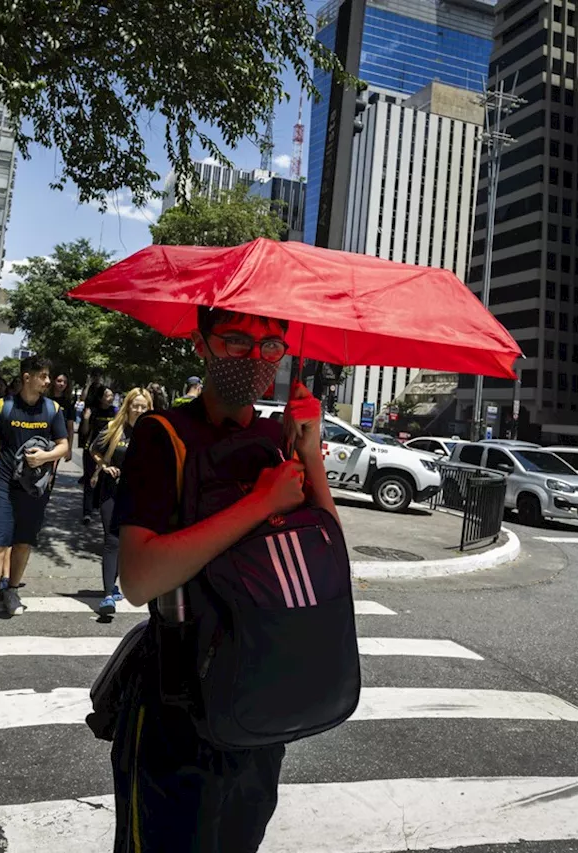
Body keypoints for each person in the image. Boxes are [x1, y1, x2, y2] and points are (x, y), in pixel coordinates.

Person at [109, 307, 337, 852]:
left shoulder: (276, 438)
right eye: (236, 340)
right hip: (176, 698)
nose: (254, 356)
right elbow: (138, 580)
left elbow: (326, 553)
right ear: (201, 345)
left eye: (270, 345)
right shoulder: (163, 435)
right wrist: (260, 502)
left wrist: (308, 453)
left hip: (261, 695)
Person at [0, 354, 69, 635]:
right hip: (1, 485)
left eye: (49, 377)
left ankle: (12, 591)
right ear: (27, 377)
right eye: (43, 376)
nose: (48, 381)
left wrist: (45, 456)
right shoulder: (3, 407)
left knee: (23, 542)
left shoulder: (53, 409)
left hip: (34, 489)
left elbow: (64, 446)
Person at [90, 387, 151, 616]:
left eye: (143, 406)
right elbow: (94, 449)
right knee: (112, 540)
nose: (138, 409)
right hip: (112, 492)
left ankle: (116, 583)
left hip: (138, 495)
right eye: (135, 405)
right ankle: (107, 595)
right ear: (128, 406)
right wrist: (105, 466)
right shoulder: (114, 428)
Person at [79, 385, 116, 524]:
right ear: (100, 398)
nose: (111, 398)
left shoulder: (115, 412)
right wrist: (87, 419)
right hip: (92, 449)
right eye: (107, 395)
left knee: (102, 480)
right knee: (90, 479)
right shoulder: (92, 411)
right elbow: (84, 431)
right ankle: (87, 512)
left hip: (109, 451)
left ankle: (97, 506)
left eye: (112, 395)